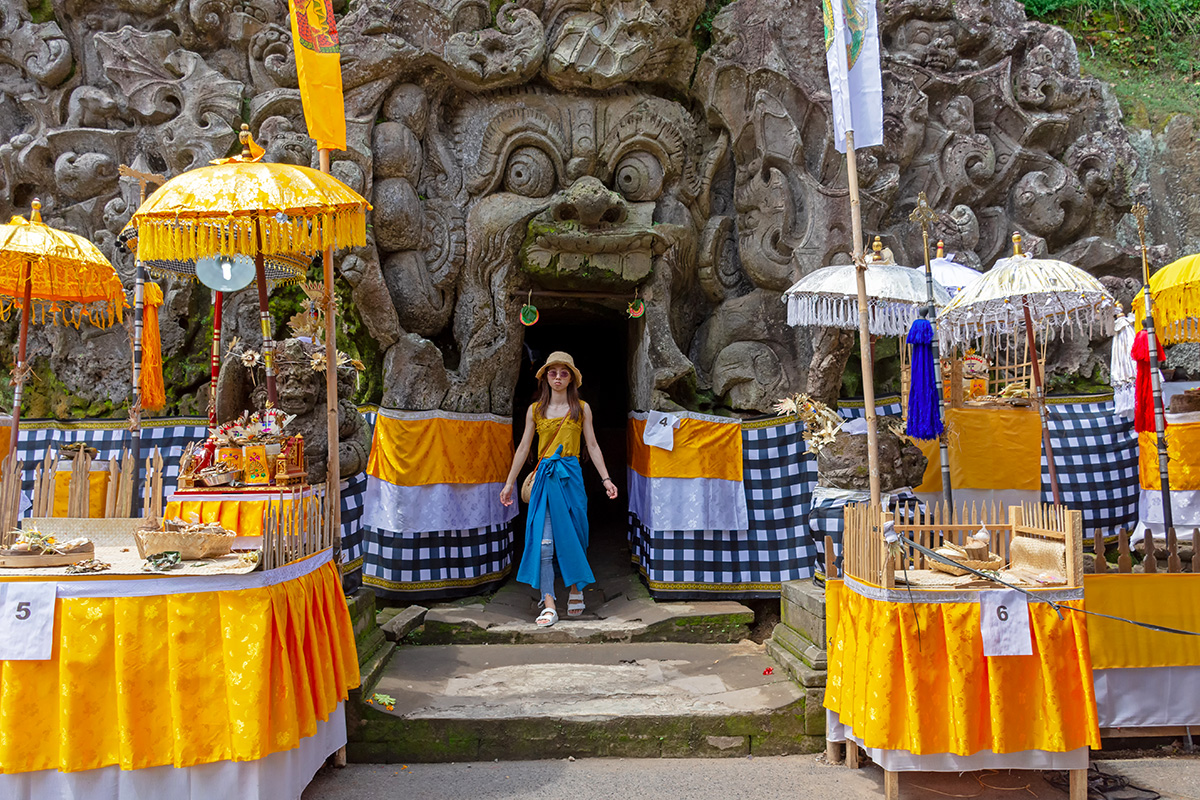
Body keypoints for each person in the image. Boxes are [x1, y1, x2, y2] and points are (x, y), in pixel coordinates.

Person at [500, 351, 618, 627]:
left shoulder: (582, 408)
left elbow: (592, 445)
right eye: (552, 372)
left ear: (572, 379)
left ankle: (576, 588)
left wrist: (606, 479)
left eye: (564, 373)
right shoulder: (535, 410)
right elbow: (524, 447)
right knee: (544, 544)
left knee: (575, 534)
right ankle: (549, 602)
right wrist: (509, 483)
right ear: (545, 377)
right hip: (544, 480)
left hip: (571, 477)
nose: (557, 377)